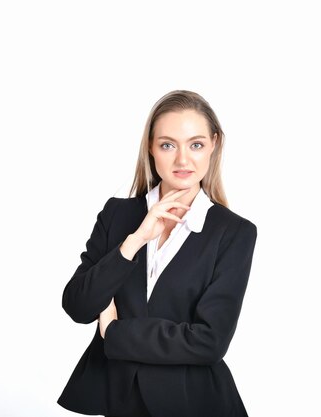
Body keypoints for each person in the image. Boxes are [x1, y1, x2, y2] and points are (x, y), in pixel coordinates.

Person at [57, 90, 258, 417]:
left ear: (214, 144)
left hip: (193, 403)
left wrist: (114, 332)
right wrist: (134, 241)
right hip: (119, 400)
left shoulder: (233, 232)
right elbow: (78, 306)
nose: (182, 160)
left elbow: (210, 341)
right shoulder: (117, 216)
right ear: (150, 147)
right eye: (168, 144)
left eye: (196, 144)